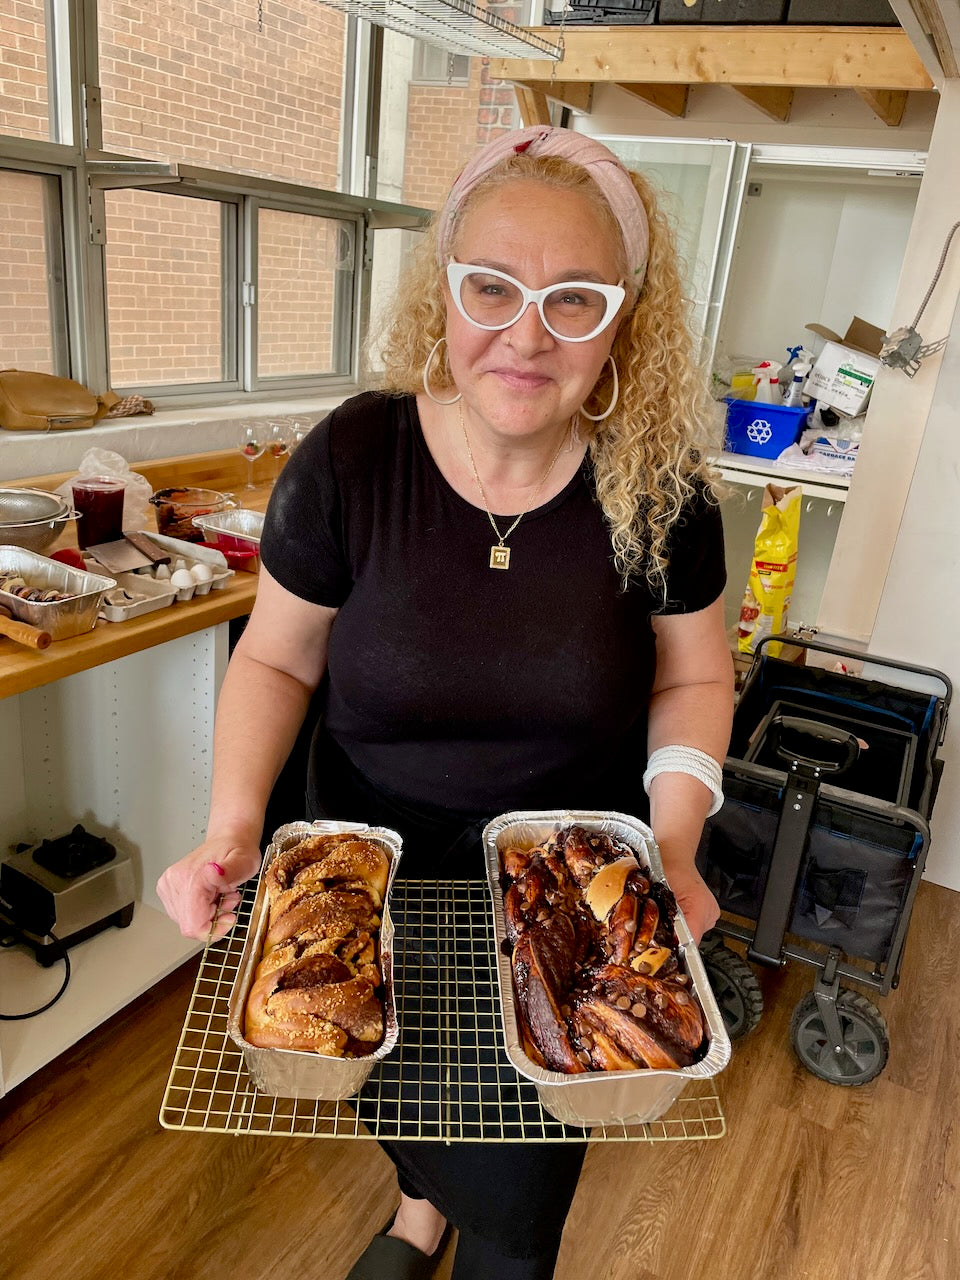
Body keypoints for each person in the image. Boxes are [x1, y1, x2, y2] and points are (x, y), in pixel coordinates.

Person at [157, 125, 734, 1280]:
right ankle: (419, 1205)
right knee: (396, 1089)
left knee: (516, 1204)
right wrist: (231, 825)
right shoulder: (352, 458)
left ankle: (472, 1228)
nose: (527, 333)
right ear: (447, 289)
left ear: (623, 320)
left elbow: (695, 674)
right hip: (370, 885)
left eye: (575, 299)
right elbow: (276, 660)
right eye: (493, 286)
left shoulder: (663, 493)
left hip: (565, 897)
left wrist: (671, 845)